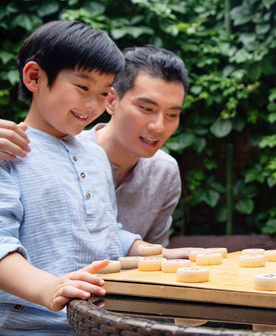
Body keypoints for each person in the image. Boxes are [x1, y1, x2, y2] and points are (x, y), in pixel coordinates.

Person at [0, 21, 187, 334]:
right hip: (31, 325)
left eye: (102, 93)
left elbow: (105, 231)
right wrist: (50, 288)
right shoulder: (9, 150)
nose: (92, 105)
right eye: (83, 87)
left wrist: (163, 254)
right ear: (34, 77)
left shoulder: (95, 156)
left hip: (98, 322)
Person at [0, 45, 188, 246]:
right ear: (111, 100)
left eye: (172, 115)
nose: (159, 127)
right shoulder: (37, 152)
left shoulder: (164, 171)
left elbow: (153, 252)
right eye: (147, 108)